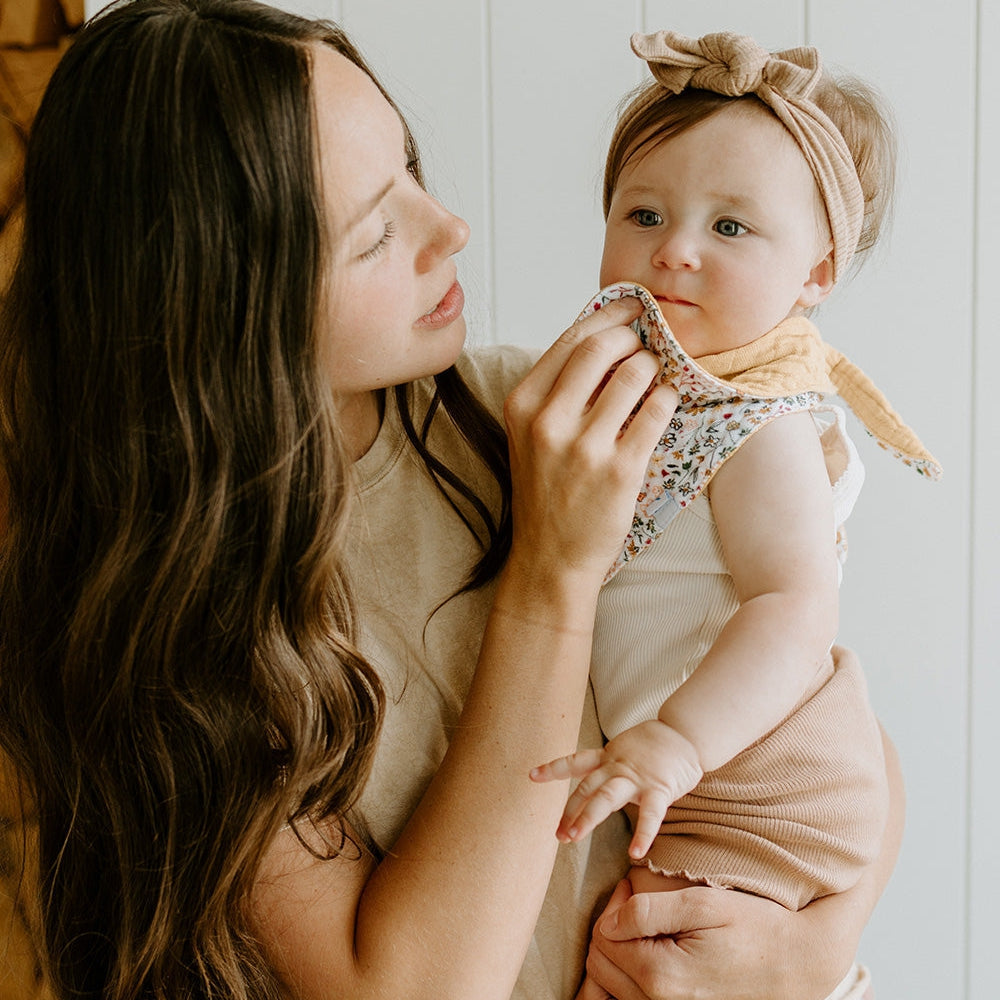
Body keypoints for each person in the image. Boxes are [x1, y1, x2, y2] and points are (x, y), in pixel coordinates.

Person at [0, 5, 903, 1000]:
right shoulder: (171, 637)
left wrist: (817, 940)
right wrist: (550, 578)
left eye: (412, 169)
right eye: (379, 230)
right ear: (217, 302)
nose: (450, 229)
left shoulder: (541, 414)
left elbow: (819, 709)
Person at [531, 29, 938, 999]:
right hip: (706, 771)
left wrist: (678, 740)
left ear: (814, 276)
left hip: (754, 783)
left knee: (643, 961)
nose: (672, 250)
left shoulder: (759, 418)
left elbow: (792, 608)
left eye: (729, 228)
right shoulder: (644, 384)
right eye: (642, 213)